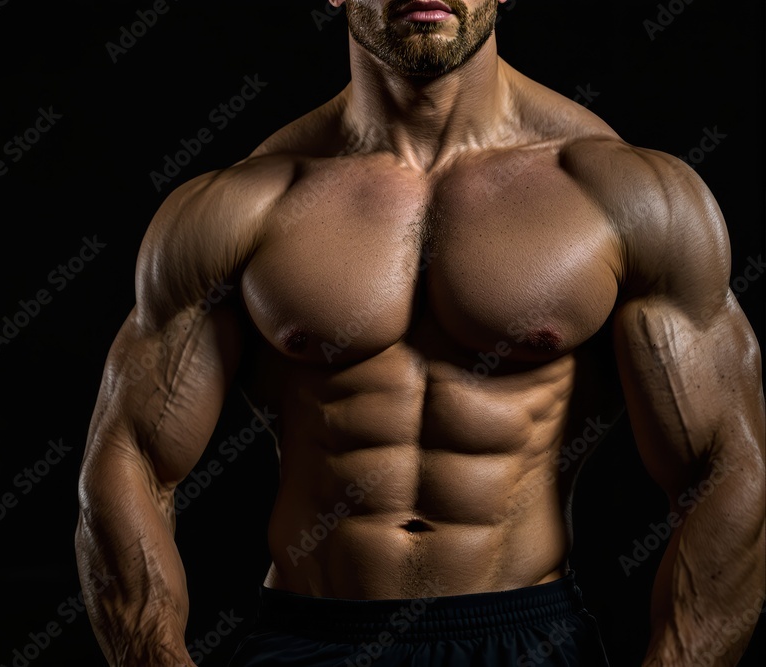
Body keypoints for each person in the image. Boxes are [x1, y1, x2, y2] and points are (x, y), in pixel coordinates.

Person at [74, 0, 766, 665]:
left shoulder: (626, 194)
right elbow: (130, 453)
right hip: (310, 636)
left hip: (522, 639)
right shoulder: (242, 204)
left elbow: (724, 464)